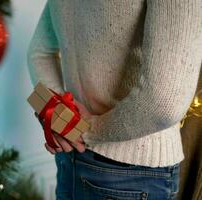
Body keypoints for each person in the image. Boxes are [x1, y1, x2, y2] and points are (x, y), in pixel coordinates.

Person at [27, 1, 202, 200]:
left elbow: (38, 54)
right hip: (133, 172)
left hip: (71, 156)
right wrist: (85, 130)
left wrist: (64, 121)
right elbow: (165, 104)